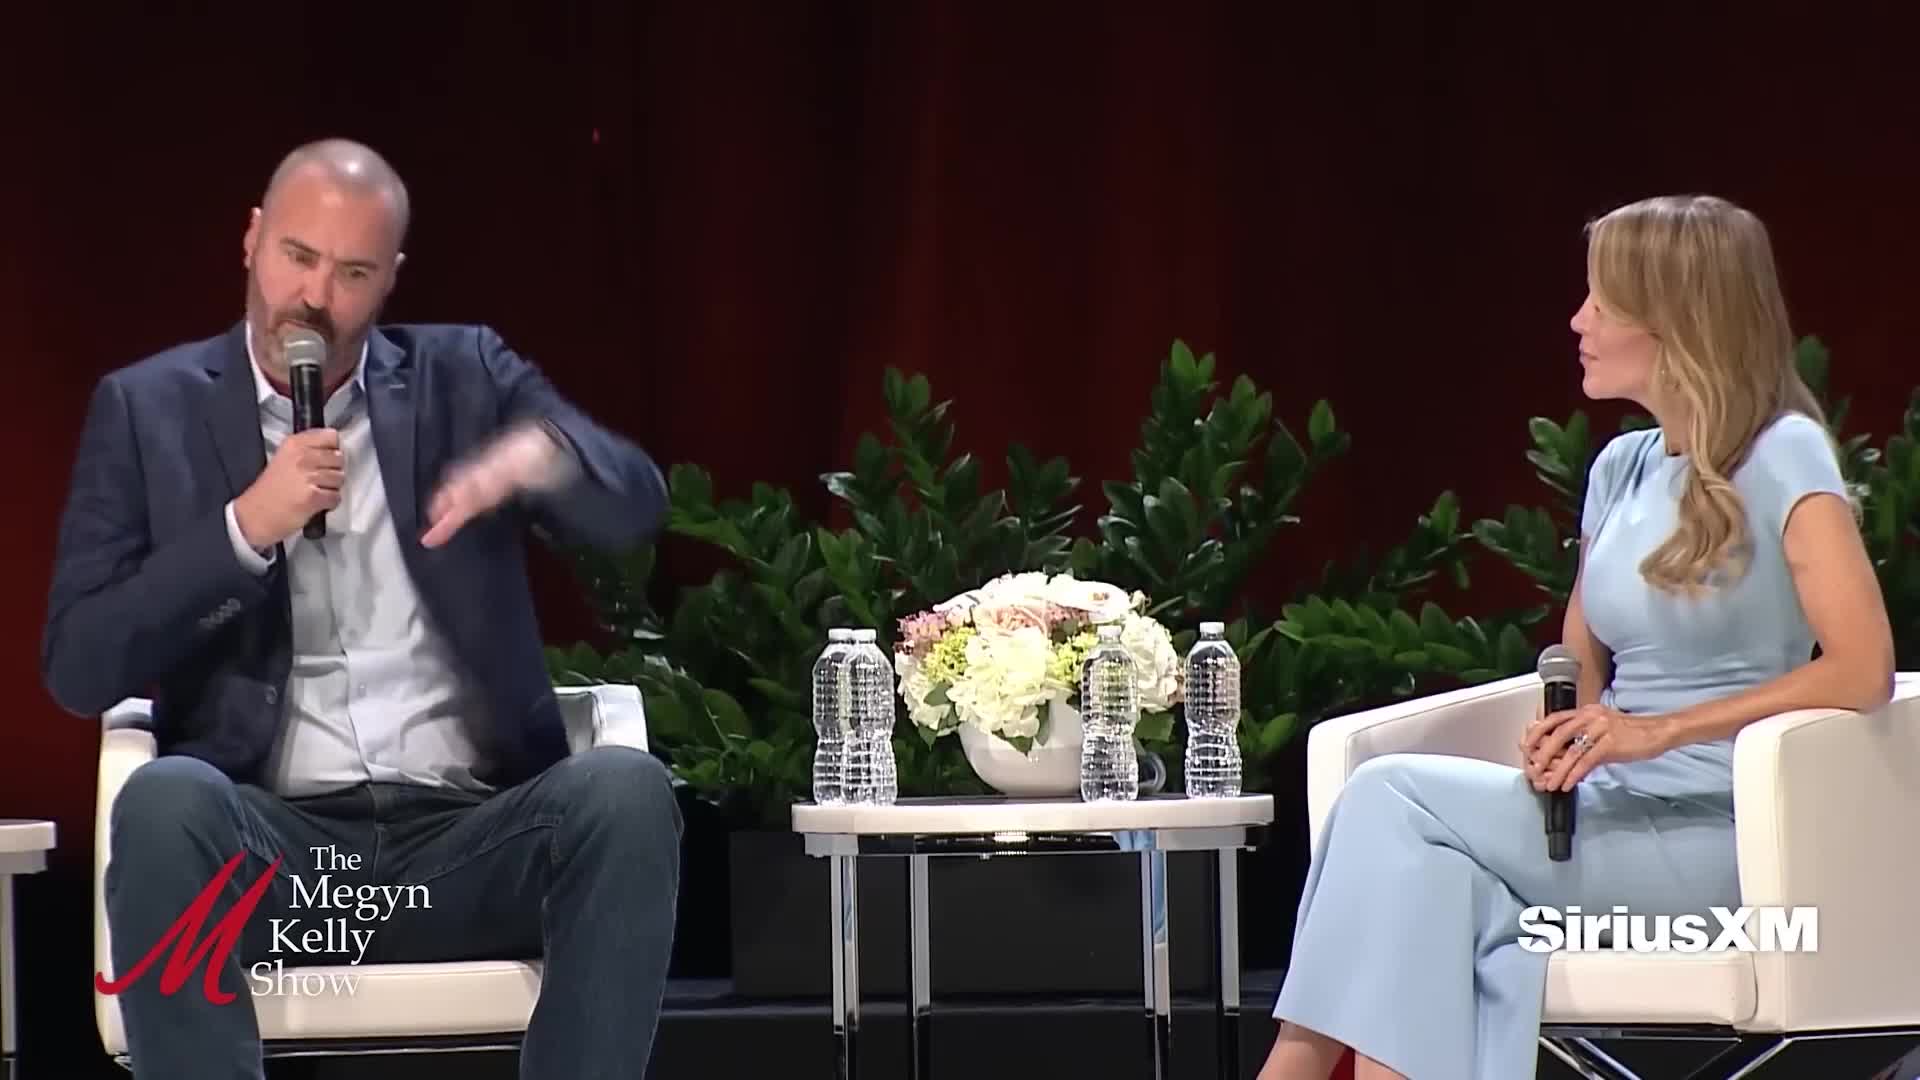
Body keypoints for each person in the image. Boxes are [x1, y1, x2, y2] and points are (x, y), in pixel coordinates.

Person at [41, 138, 681, 1079]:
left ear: (390, 282)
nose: (314, 300)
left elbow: (636, 507)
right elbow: (78, 664)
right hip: (274, 852)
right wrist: (243, 529)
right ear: (252, 241)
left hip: (462, 842)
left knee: (626, 793)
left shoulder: (466, 374)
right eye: (298, 257)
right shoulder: (147, 409)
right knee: (162, 800)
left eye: (351, 274)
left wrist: (544, 458)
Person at [1254, 194, 1896, 1079]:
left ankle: (1288, 1066)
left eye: (1602, 301)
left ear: (1676, 316)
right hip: (1598, 817)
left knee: (1386, 794)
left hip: (1725, 840)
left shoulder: (1785, 454)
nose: (1577, 321)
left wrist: (1660, 732)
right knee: (1432, 886)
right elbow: (1578, 657)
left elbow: (1863, 671)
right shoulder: (1620, 467)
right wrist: (1576, 730)